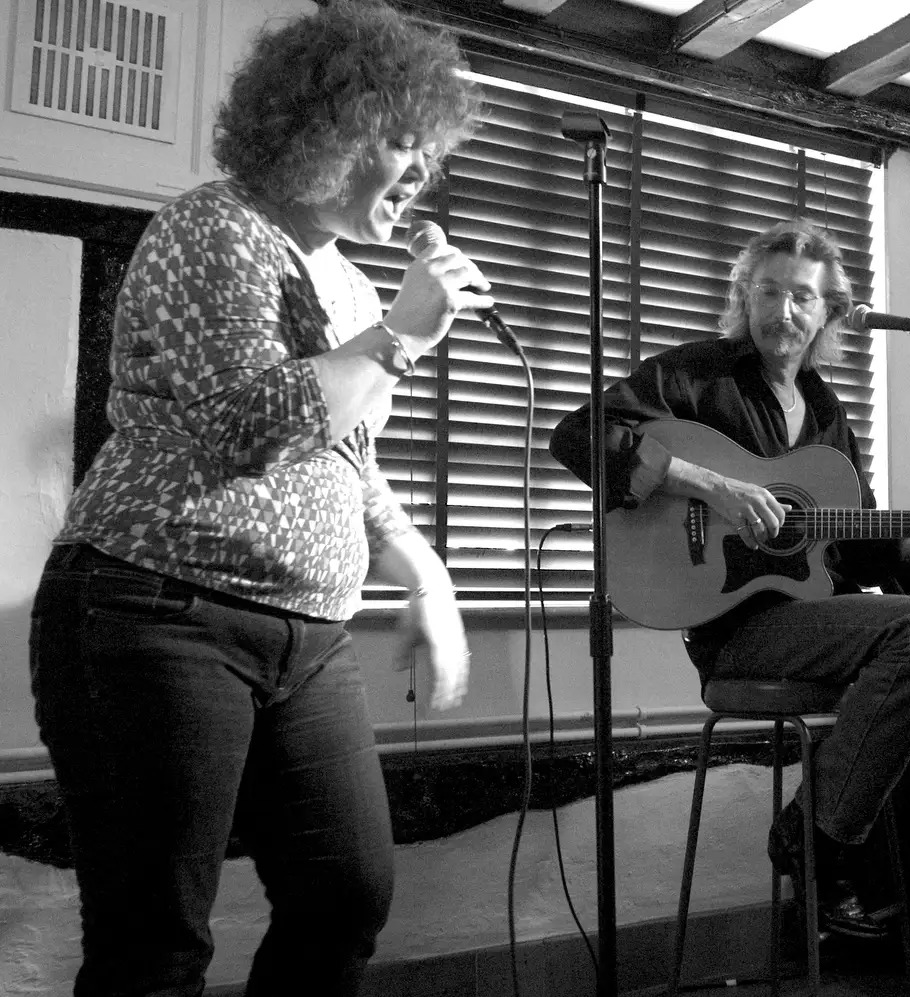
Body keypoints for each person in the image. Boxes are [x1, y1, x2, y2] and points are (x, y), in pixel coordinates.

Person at [27, 3, 487, 993]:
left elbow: (347, 461)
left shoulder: (355, 290)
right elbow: (250, 428)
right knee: (154, 942)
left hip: (307, 636)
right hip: (156, 611)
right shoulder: (214, 226)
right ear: (318, 131)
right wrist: (405, 337)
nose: (420, 173)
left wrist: (428, 576)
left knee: (345, 895)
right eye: (399, 141)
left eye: (429, 150)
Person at [549, 219, 910, 996]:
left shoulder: (823, 413)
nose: (784, 310)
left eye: (802, 297)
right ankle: (814, 836)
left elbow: (853, 542)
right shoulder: (697, 375)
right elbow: (580, 435)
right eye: (770, 291)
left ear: (828, 313)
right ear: (745, 296)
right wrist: (714, 485)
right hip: (738, 636)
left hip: (823, 627)